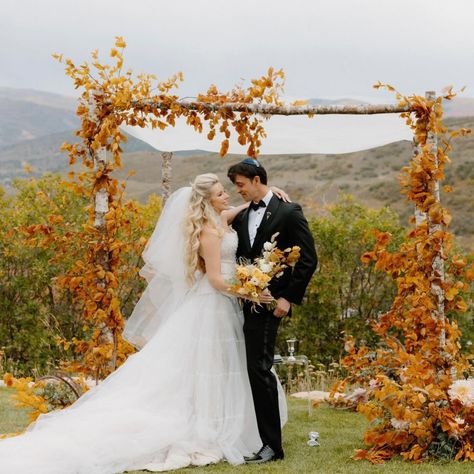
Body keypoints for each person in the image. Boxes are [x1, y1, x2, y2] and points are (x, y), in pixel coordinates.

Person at [0, 173, 288, 474]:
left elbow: (235, 211)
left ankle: (220, 421)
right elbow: (215, 279)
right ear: (207, 201)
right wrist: (252, 291)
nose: (226, 196)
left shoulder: (219, 220)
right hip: (213, 304)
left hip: (225, 305)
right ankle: (205, 427)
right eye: (219, 194)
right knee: (207, 367)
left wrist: (266, 195)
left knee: (222, 366)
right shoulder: (209, 232)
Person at [228, 158, 318, 464]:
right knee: (249, 369)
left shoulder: (288, 211)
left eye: (240, 184)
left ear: (255, 180)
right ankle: (248, 435)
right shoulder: (241, 216)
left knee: (259, 369)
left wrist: (288, 299)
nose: (237, 190)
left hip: (269, 304)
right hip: (238, 301)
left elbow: (308, 259)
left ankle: (271, 446)